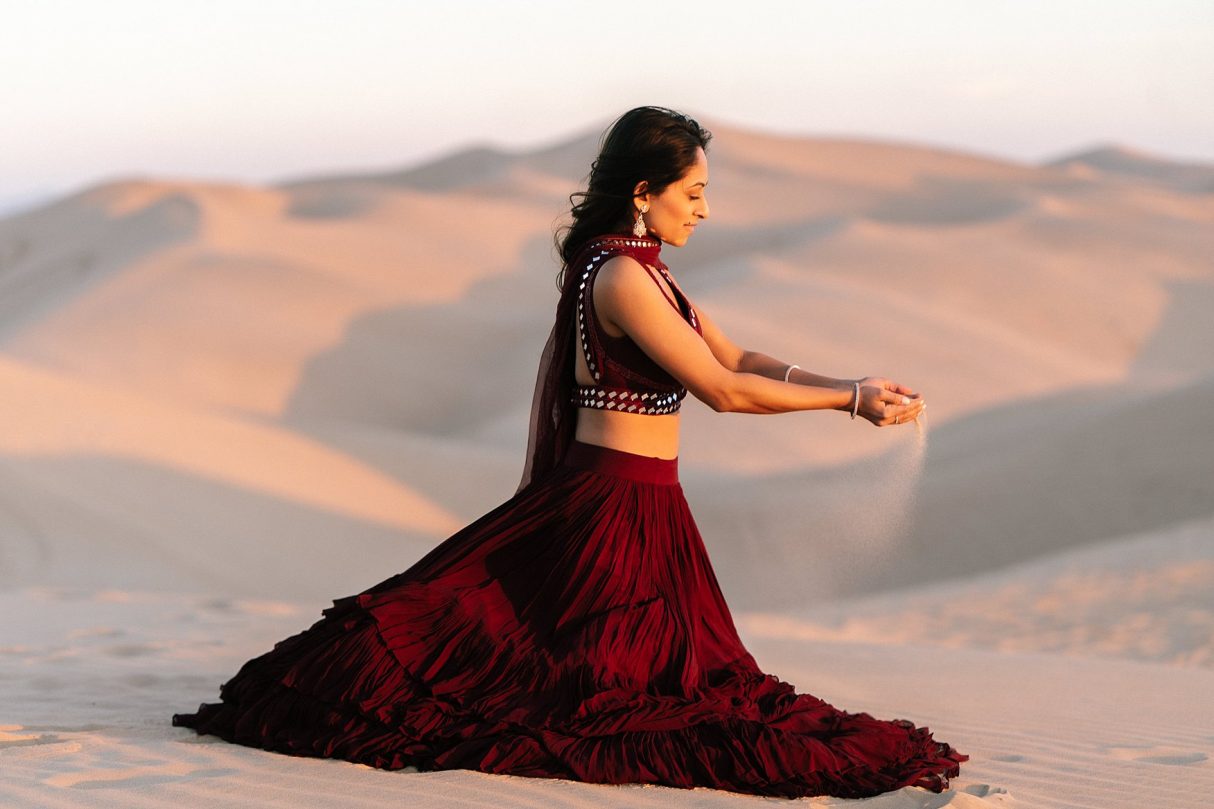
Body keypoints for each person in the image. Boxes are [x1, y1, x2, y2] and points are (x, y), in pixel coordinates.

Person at [171, 106, 967, 799]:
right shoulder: (620, 277)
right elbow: (722, 392)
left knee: (676, 682)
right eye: (693, 193)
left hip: (654, 509)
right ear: (643, 193)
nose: (706, 209)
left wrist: (854, 382)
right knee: (589, 695)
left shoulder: (653, 275)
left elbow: (741, 357)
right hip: (608, 513)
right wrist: (848, 403)